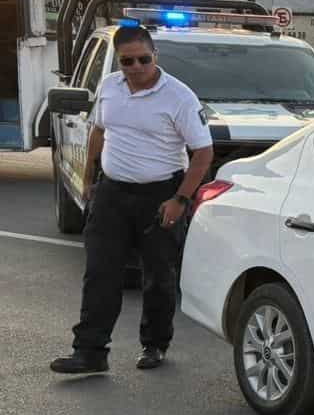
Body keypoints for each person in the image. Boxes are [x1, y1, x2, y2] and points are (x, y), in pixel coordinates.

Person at [49, 25, 213, 376]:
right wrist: (90, 179)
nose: (136, 66)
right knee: (100, 273)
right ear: (119, 61)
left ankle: (154, 344)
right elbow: (99, 130)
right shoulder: (110, 87)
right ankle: (90, 351)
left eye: (143, 59)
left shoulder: (180, 97)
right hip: (112, 193)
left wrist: (181, 199)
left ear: (156, 56)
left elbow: (203, 152)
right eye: (127, 61)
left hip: (160, 196)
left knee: (157, 276)